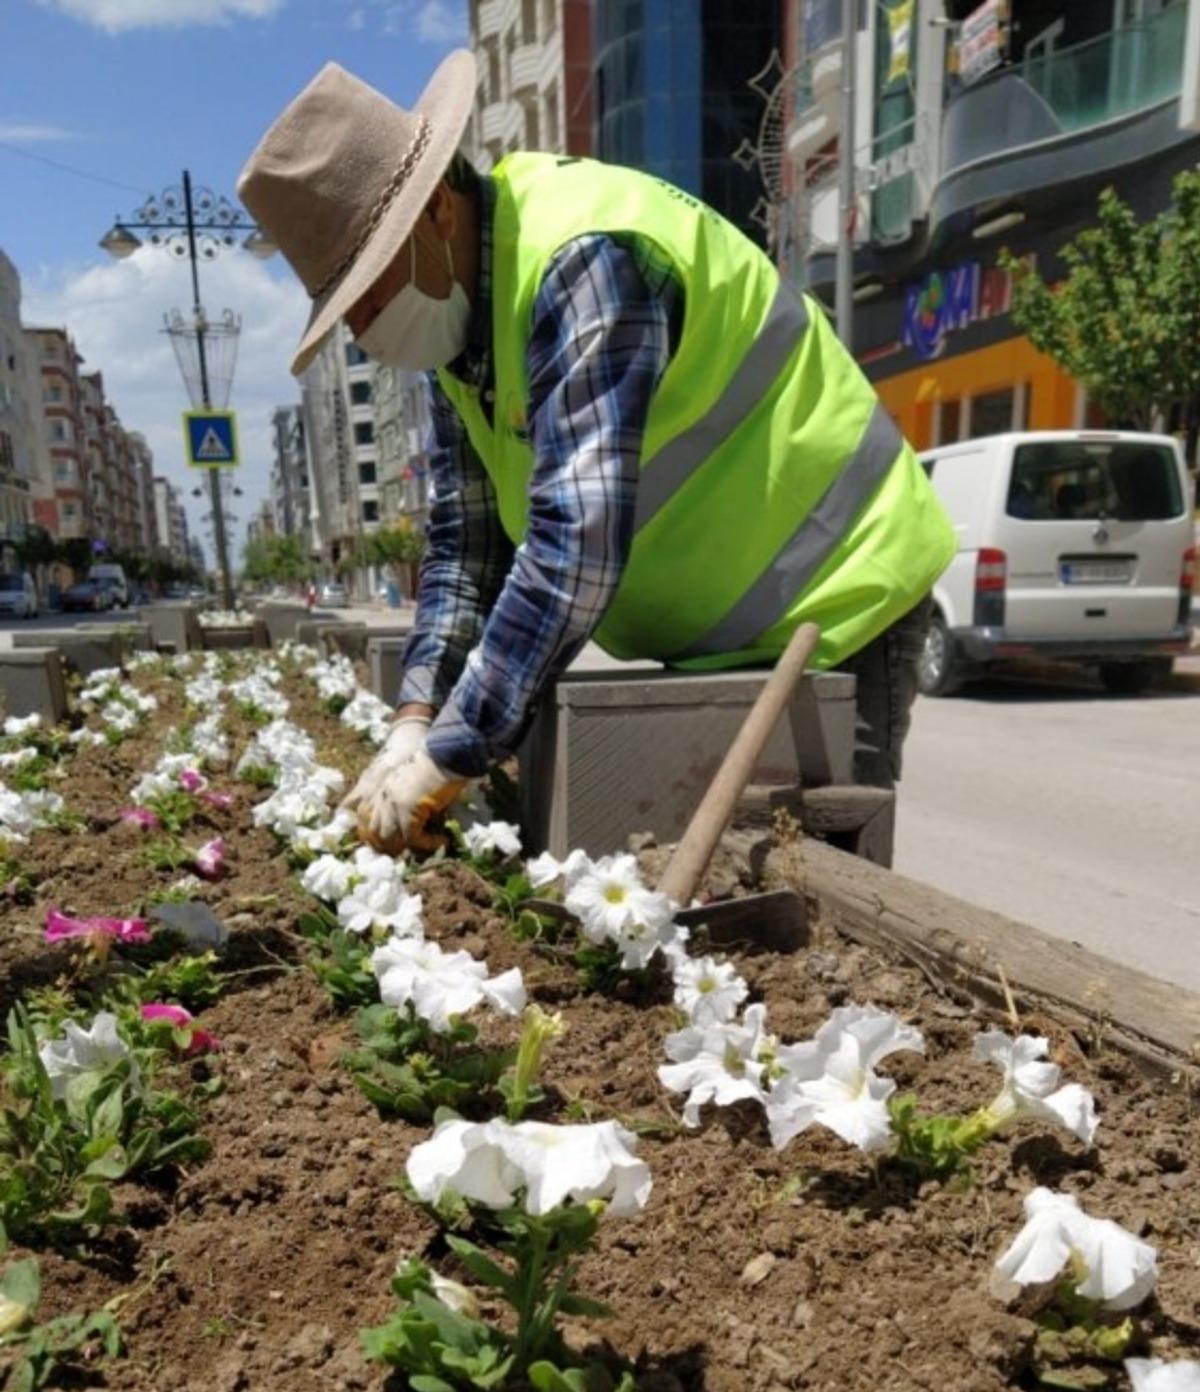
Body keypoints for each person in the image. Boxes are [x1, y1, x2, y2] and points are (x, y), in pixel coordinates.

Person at [239, 53, 956, 854]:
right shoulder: (457, 333)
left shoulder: (584, 257)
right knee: (719, 867)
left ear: (437, 209)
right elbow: (464, 550)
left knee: (814, 872)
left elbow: (571, 547)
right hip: (723, 637)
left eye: (371, 288)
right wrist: (414, 719)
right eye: (348, 309)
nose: (367, 328)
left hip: (841, 589)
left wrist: (452, 753)